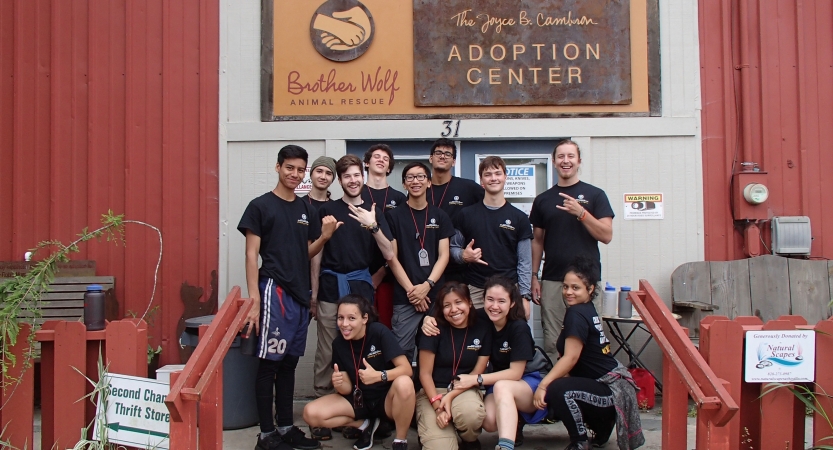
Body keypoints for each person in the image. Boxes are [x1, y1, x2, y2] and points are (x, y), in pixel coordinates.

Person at [238, 144, 339, 450]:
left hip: (299, 295)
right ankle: (266, 435)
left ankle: (285, 428)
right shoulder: (260, 206)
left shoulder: (306, 209)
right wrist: (254, 299)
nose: (294, 175)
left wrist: (324, 237)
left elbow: (304, 253)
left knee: (289, 364)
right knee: (269, 363)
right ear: (278, 167)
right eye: (289, 168)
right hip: (274, 291)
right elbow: (251, 254)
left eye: (300, 170)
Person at [309, 154, 395, 441]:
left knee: (363, 348)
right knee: (326, 348)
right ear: (340, 179)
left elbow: (390, 254)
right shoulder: (328, 210)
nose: (353, 180)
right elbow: (317, 254)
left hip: (360, 290)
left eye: (357, 174)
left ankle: (361, 407)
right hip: (332, 286)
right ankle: (324, 401)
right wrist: (314, 293)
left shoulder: (374, 211)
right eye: (346, 176)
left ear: (363, 175)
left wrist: (372, 225)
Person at [533, 257, 644, 450]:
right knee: (562, 382)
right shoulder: (586, 309)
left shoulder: (576, 314)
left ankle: (580, 440)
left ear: (590, 289)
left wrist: (543, 386)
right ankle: (602, 425)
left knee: (557, 389)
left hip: (611, 390)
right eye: (565, 287)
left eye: (575, 288)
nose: (568, 292)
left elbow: (571, 357)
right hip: (610, 385)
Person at [422, 277, 542, 450]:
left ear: (512, 303)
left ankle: (506, 445)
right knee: (488, 421)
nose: (494, 306)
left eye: (501, 301)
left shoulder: (518, 328)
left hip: (527, 380)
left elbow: (516, 373)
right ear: (482, 300)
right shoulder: (482, 317)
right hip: (495, 381)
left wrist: (475, 379)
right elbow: (452, 310)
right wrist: (428, 319)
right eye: (490, 300)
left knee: (502, 387)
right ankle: (513, 418)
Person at [529, 139, 614, 361]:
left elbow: (606, 235)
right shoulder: (543, 200)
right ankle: (555, 390)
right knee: (553, 339)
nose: (566, 161)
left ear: (578, 161)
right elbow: (537, 241)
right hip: (553, 280)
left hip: (586, 281)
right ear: (554, 162)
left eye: (570, 156)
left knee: (588, 338)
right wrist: (534, 276)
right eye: (561, 157)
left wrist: (581, 213)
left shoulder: (595, 195)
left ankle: (587, 387)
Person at [302, 294, 415, 450]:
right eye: (340, 318)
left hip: (386, 401)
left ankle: (400, 441)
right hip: (358, 402)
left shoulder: (379, 332)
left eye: (351, 318)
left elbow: (406, 369)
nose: (345, 324)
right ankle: (365, 425)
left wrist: (379, 376)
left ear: (365, 318)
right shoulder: (338, 344)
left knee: (405, 383)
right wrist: (340, 383)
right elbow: (347, 389)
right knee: (310, 413)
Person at [385, 162, 454, 360]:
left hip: (435, 296)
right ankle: (405, 390)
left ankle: (429, 391)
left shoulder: (440, 216)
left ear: (429, 182)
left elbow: (444, 255)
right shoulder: (393, 217)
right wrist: (413, 292)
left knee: (435, 349)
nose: (416, 181)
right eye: (410, 178)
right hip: (405, 296)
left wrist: (427, 286)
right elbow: (392, 259)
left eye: (421, 177)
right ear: (404, 184)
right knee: (402, 351)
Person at [416, 282, 492, 450]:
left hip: (464, 388)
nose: (454, 309)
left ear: (470, 303)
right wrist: (438, 408)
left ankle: (468, 438)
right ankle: (435, 433)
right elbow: (424, 374)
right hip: (433, 391)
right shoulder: (433, 328)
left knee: (470, 414)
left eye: (459, 302)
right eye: (447, 305)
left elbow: (478, 371)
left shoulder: (483, 326)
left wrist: (451, 397)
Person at [451, 156, 533, 311]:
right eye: (488, 174)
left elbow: (525, 262)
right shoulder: (466, 214)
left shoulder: (519, 218)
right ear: (481, 180)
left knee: (511, 334)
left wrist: (524, 296)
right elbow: (452, 248)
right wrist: (463, 255)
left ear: (505, 177)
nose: (493, 178)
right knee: (477, 334)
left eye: (497, 173)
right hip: (476, 290)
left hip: (509, 290)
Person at [361, 143, 408, 328]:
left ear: (389, 168)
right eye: (376, 156)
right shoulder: (357, 195)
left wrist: (381, 272)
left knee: (386, 327)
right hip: (360, 275)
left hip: (390, 276)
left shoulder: (399, 199)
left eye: (386, 158)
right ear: (366, 163)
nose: (381, 160)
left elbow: (402, 242)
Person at [425, 138, 484, 283]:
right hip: (425, 264)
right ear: (430, 158)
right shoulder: (419, 188)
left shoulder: (469, 188)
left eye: (448, 154)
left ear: (454, 161)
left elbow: (489, 212)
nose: (443, 156)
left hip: (458, 267)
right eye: (438, 152)